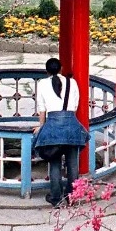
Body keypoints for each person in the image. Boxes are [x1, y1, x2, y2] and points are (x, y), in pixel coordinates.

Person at [33, 58, 87, 206]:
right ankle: (72, 196)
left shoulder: (42, 84)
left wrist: (41, 126)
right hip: (71, 125)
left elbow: (42, 109)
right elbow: (74, 107)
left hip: (53, 127)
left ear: (47, 71)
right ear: (61, 68)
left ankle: (56, 197)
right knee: (73, 164)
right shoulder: (72, 83)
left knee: (55, 163)